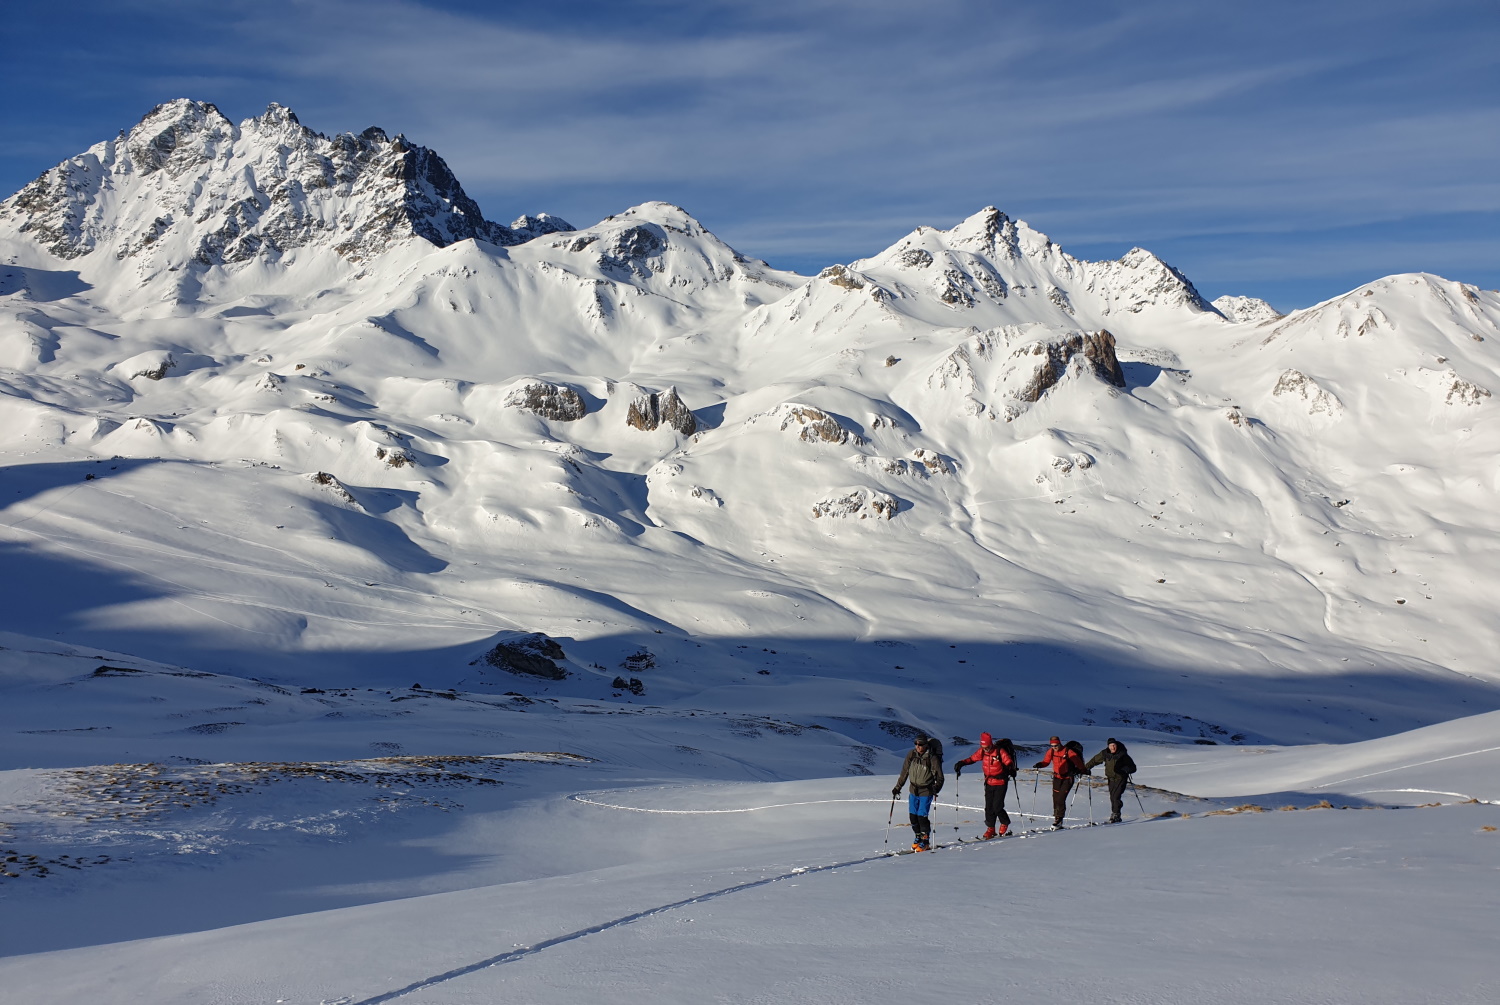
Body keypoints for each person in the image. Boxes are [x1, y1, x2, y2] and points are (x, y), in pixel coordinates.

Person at [953, 732, 1017, 838]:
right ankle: (990, 829)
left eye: (987, 747)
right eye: (983, 747)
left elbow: (1008, 761)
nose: (985, 749)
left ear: (990, 744)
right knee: (988, 808)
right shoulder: (982, 751)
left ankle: (1005, 822)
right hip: (989, 782)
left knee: (997, 806)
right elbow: (972, 759)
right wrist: (962, 763)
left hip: (1001, 782)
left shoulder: (999, 751)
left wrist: (1011, 768)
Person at [892, 734, 944, 851]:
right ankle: (918, 837)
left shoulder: (932, 758)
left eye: (920, 744)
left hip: (926, 790)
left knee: (922, 817)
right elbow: (904, 772)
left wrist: (936, 788)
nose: (917, 746)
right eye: (916, 744)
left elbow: (940, 777)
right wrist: (898, 787)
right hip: (913, 790)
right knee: (913, 817)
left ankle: (925, 841)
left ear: (926, 745)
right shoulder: (912, 754)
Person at [1033, 735, 1086, 829]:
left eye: (1056, 745)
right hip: (1057, 777)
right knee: (1055, 798)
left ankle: (1059, 819)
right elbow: (1046, 761)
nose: (1054, 747)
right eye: (1052, 745)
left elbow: (1077, 761)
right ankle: (1057, 818)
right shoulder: (1051, 751)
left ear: (1059, 743)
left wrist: (1083, 769)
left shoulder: (1068, 751)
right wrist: (1040, 764)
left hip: (1068, 778)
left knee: (1061, 799)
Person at [1084, 737, 1137, 823]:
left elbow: (1133, 767)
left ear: (1116, 745)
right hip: (1110, 778)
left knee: (1115, 796)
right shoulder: (1105, 754)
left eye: (1114, 745)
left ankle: (1116, 814)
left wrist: (1125, 769)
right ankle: (1115, 814)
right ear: (1108, 746)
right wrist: (1086, 768)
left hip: (1121, 778)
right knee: (1113, 797)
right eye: (1111, 745)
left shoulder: (1123, 754)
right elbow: (1094, 760)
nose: (1112, 747)